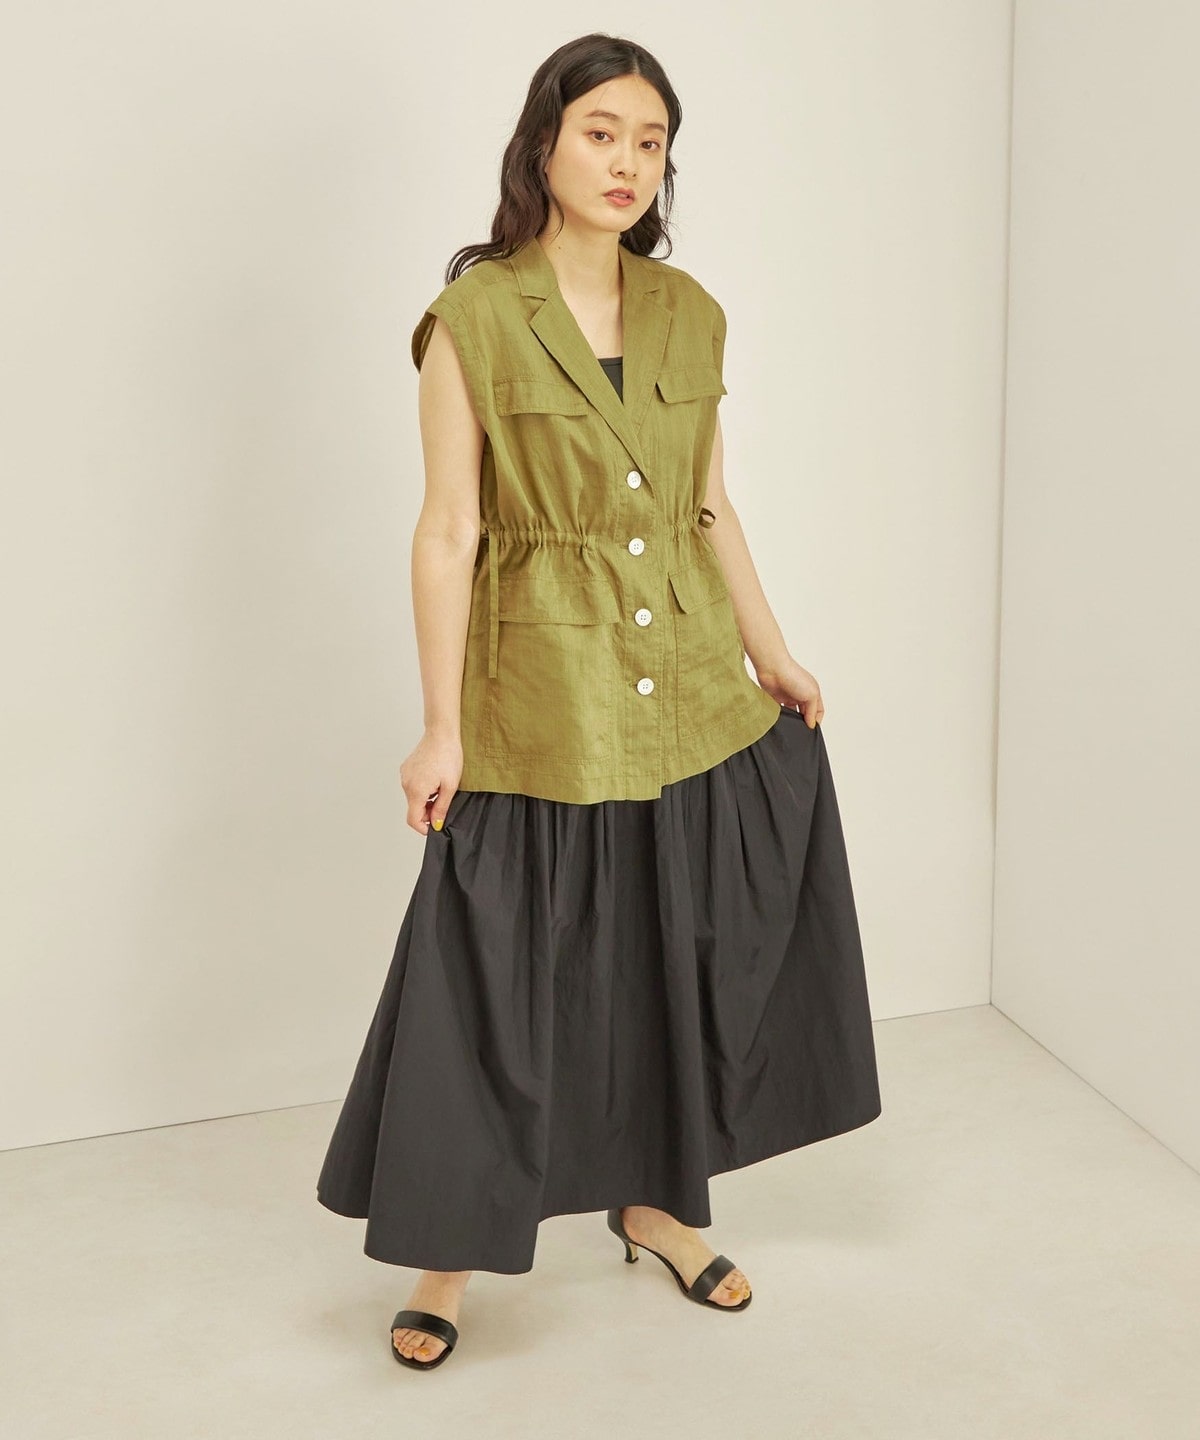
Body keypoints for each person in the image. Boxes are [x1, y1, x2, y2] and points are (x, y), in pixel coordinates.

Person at [316, 33, 882, 1372]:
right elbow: (449, 529)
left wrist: (772, 652)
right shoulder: (474, 319)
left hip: (685, 683)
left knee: (668, 950)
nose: (627, 161)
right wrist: (442, 723)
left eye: (649, 140)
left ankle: (657, 1203)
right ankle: (451, 1255)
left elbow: (707, 504)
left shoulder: (689, 313)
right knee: (497, 977)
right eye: (601, 133)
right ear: (544, 145)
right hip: (540, 692)